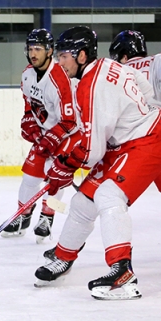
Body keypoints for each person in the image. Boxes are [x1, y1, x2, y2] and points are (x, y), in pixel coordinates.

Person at [34, 26, 161, 300]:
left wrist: (63, 169)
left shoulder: (92, 85)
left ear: (81, 56)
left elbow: (92, 151)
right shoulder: (104, 67)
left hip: (148, 140)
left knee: (108, 195)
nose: (59, 61)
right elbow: (142, 85)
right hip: (126, 141)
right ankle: (63, 257)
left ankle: (123, 274)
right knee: (82, 201)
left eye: (64, 55)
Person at [3, 29, 77, 241]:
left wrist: (52, 139)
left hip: (66, 136)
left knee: (57, 182)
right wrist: (28, 119)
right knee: (30, 177)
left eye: (38, 49)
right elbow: (29, 102)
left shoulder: (59, 80)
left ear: (50, 51)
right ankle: (23, 216)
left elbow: (70, 120)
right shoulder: (27, 74)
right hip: (45, 134)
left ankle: (48, 217)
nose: (33, 53)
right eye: (31, 49)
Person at [109, 29, 161, 104]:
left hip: (130, 114)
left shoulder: (117, 71)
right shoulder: (157, 60)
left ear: (124, 57)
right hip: (156, 113)